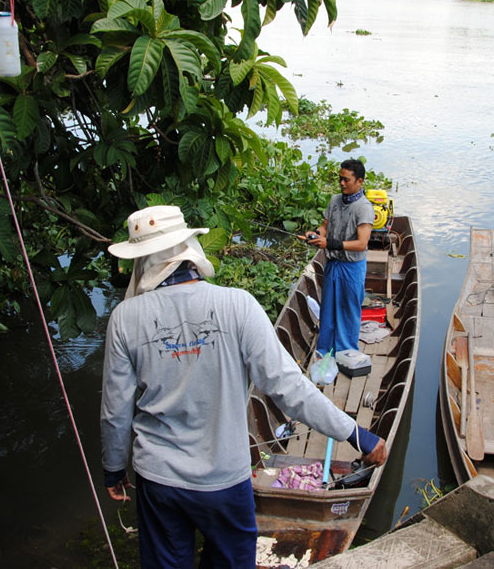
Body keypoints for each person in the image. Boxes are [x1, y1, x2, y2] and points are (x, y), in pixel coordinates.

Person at [100, 205, 387, 569]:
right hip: (224, 482)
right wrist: (357, 434)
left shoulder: (125, 319)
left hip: (159, 480)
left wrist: (113, 468)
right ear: (189, 248)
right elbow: (289, 389)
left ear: (142, 261)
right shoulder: (238, 305)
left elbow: (115, 410)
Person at [302, 159, 375, 356]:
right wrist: (316, 234)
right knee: (328, 309)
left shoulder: (364, 208)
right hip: (333, 264)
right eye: (340, 179)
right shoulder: (335, 200)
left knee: (348, 310)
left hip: (352, 268)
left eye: (346, 180)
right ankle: (325, 350)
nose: (342, 183)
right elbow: (325, 226)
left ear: (359, 181)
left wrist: (330, 244)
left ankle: (346, 352)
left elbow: (362, 243)